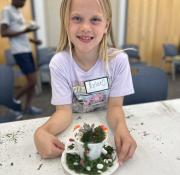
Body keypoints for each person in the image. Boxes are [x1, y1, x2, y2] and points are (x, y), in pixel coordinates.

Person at [34, 0, 137, 165]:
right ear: (66, 23)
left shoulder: (119, 60)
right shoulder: (60, 63)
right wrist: (42, 131)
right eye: (76, 18)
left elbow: (115, 106)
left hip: (105, 124)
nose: (85, 28)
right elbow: (63, 111)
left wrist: (121, 128)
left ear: (106, 26)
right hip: (74, 128)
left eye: (95, 19)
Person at [0, 0, 42, 115]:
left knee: (32, 81)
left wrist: (33, 40)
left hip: (27, 49)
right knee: (32, 81)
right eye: (22, 0)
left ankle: (28, 107)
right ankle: (12, 102)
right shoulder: (7, 10)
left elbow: (20, 32)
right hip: (19, 51)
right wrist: (26, 30)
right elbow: (3, 32)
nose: (24, 2)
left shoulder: (18, 12)